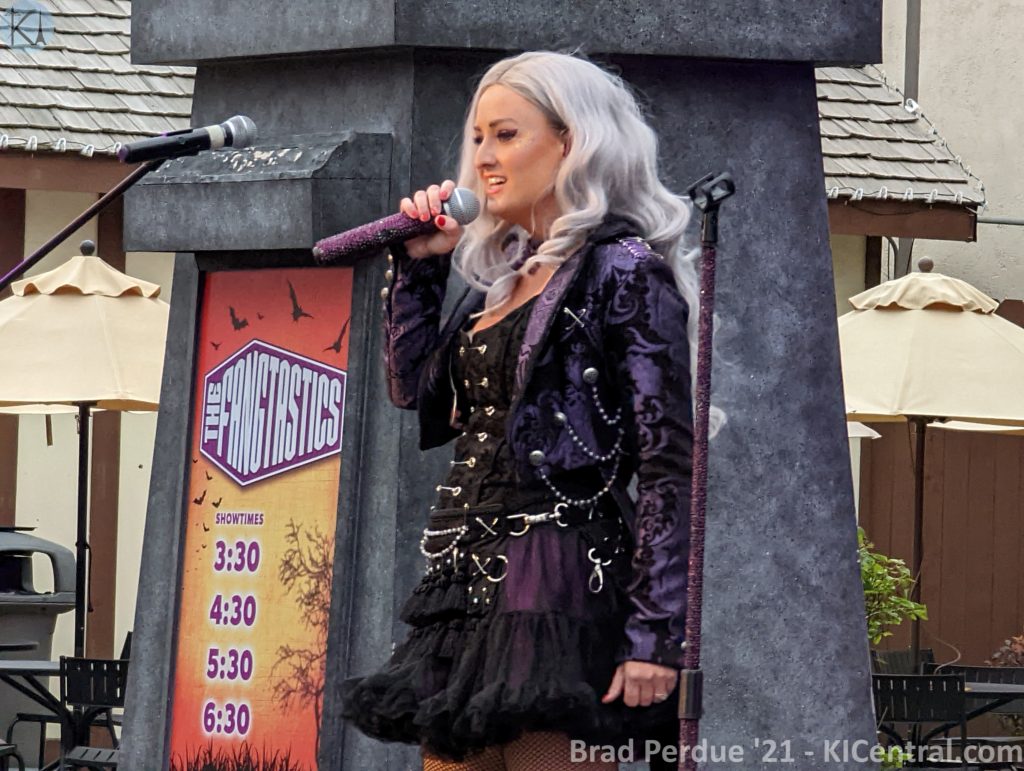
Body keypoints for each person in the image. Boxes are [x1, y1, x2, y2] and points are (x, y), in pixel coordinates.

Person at [341, 50, 714, 771]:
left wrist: (654, 635)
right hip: (466, 578)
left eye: (506, 135)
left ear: (573, 142)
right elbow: (416, 392)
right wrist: (421, 266)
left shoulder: (624, 269)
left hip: (559, 580)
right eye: (478, 137)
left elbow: (669, 465)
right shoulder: (505, 277)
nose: (483, 156)